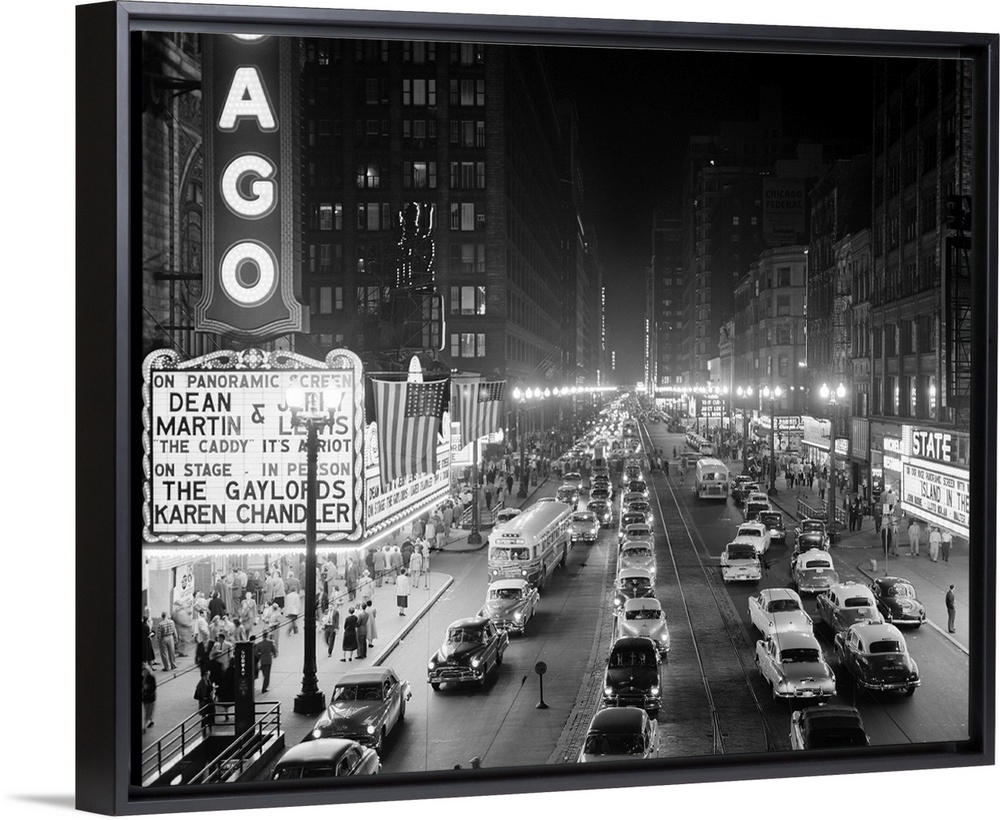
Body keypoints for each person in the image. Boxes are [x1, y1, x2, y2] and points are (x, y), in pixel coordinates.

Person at [141, 664, 157, 731]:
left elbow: (153, 688)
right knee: (147, 710)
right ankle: (150, 720)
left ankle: (144, 726)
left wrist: (146, 688)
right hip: (145, 697)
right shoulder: (142, 677)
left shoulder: (151, 677)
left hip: (150, 698)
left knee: (147, 711)